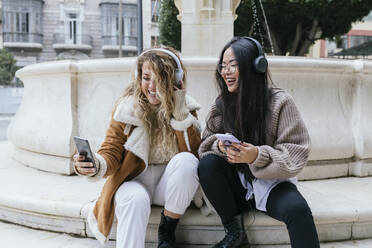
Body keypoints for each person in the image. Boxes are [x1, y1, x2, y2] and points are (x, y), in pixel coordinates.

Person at [198, 37, 320, 248]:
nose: (225, 72)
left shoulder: (281, 102)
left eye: (233, 65)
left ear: (255, 66)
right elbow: (204, 145)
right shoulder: (221, 103)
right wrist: (219, 147)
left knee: (298, 211)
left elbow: (296, 154)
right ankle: (234, 232)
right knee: (207, 165)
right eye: (223, 66)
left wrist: (256, 155)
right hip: (236, 186)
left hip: (272, 184)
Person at [73, 47, 201, 248]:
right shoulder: (126, 108)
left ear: (175, 79)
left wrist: (178, 109)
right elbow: (111, 150)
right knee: (134, 199)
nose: (152, 86)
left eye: (159, 79)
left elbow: (193, 153)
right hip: (133, 181)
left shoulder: (186, 108)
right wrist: (94, 164)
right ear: (138, 77)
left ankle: (167, 231)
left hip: (167, 186)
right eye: (146, 78)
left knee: (188, 162)